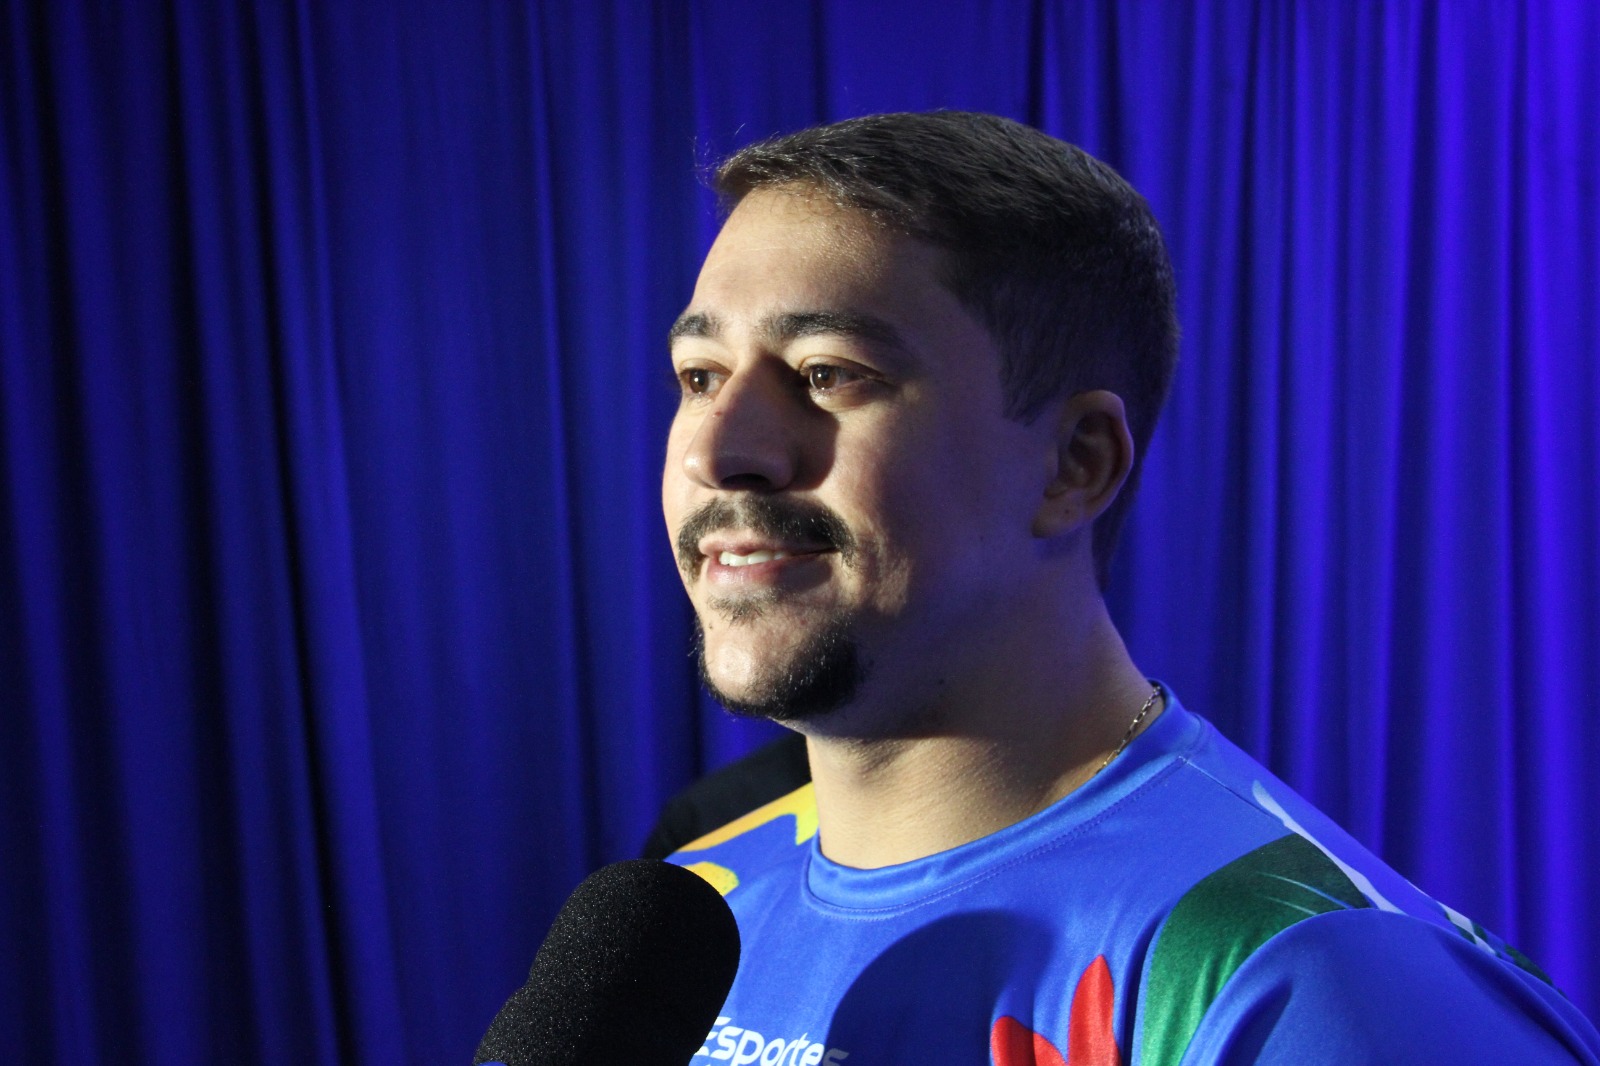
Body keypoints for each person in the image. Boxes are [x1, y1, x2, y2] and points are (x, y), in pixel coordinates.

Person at [659, 111, 1598, 1065]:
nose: (718, 451)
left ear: (1076, 464)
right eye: (699, 377)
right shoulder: (690, 918)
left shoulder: (1300, 978)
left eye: (827, 374)